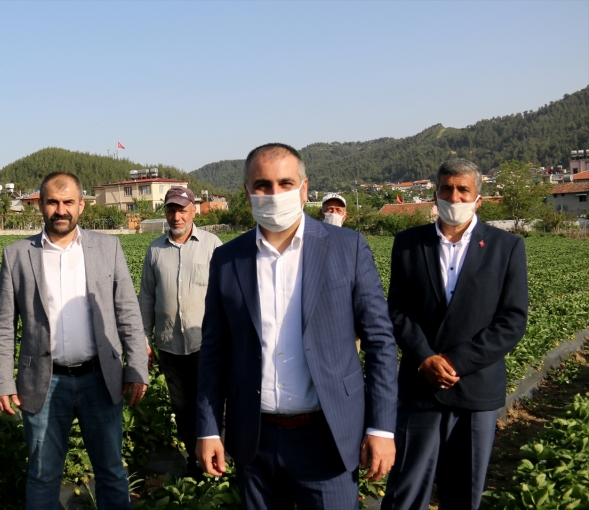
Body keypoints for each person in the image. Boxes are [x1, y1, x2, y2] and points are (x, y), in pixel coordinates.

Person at [195, 143, 398, 509]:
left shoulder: (346, 247)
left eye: (285, 183)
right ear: (247, 193)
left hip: (327, 434)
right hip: (253, 436)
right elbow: (214, 351)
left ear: (304, 189)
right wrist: (209, 427)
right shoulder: (228, 259)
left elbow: (380, 341)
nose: (274, 194)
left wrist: (381, 427)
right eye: (262, 185)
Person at [0, 172, 149, 510]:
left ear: (81, 205)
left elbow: (128, 312)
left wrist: (137, 366)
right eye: (52, 202)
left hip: (100, 378)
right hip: (44, 384)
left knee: (110, 471)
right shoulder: (17, 255)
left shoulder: (108, 247)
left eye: (67, 202)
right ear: (41, 206)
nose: (60, 210)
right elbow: (4, 324)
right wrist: (2, 379)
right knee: (43, 475)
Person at [382, 159, 529, 510]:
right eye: (447, 188)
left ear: (478, 198)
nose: (454, 196)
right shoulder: (408, 243)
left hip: (475, 389)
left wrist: (453, 361)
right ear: (436, 192)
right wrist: (425, 357)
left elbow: (512, 320)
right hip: (420, 386)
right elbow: (398, 311)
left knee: (464, 492)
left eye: (463, 189)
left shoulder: (505, 247)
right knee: (405, 491)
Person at [139, 186, 222, 477]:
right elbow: (147, 297)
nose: (176, 216)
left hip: (206, 344)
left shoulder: (212, 245)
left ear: (193, 211)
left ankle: (217, 457)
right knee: (183, 408)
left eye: (182, 210)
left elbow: (225, 296)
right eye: (171, 210)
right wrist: (144, 341)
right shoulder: (155, 250)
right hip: (169, 344)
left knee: (210, 405)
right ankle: (194, 458)